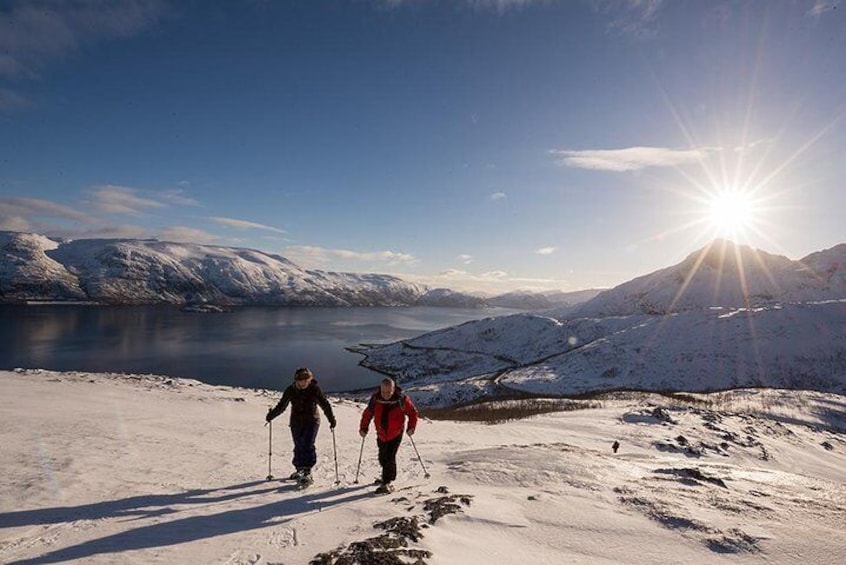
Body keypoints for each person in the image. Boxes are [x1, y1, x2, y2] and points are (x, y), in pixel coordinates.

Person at [266, 367, 336, 485]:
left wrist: (331, 419)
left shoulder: (314, 389)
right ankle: (299, 469)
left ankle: (307, 471)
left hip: (312, 420)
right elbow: (282, 405)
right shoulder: (291, 390)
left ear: (310, 379)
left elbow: (324, 404)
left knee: (308, 444)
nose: (304, 382)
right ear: (296, 380)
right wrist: (271, 415)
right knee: (298, 445)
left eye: (306, 380)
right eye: (301, 380)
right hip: (296, 421)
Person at [359, 377, 419, 494]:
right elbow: (367, 414)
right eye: (383, 392)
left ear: (393, 389)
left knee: (389, 457)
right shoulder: (375, 399)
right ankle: (390, 477)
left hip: (396, 433)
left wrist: (411, 427)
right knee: (382, 457)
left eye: (388, 392)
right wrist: (363, 428)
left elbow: (412, 412)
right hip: (381, 434)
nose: (386, 394)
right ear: (380, 389)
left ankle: (386, 483)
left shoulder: (401, 399)